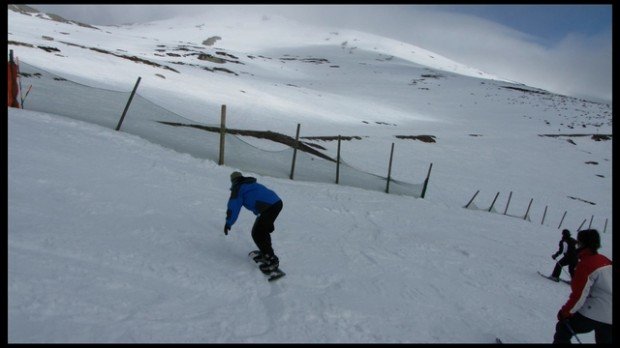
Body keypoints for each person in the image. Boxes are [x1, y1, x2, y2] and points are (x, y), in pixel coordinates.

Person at [553, 229, 612, 344]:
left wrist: (565, 312)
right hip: (610, 317)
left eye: (579, 242)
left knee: (563, 328)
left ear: (583, 244)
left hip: (595, 311)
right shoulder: (606, 260)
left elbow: (579, 295)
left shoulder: (586, 264)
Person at [224, 171, 283, 272]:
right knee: (261, 231)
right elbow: (260, 198)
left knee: (258, 233)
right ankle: (266, 253)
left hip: (269, 208)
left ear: (233, 181)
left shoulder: (238, 189)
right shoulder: (250, 184)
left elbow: (233, 207)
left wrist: (228, 222)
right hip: (276, 203)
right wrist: (269, 221)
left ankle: (271, 260)